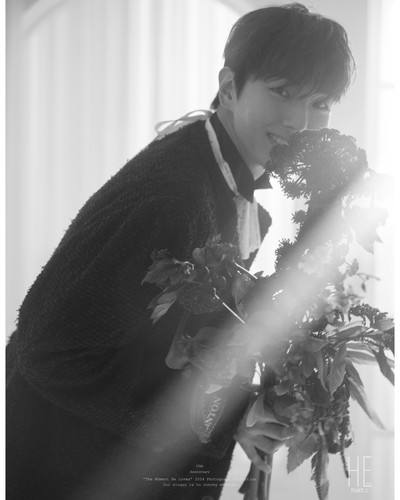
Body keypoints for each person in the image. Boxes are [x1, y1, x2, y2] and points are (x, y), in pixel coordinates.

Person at [6, 3, 355, 499]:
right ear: (229, 86)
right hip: (76, 468)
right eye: (282, 91)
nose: (300, 121)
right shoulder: (175, 198)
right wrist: (216, 423)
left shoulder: (233, 171)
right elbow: (49, 352)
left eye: (320, 103)